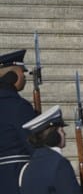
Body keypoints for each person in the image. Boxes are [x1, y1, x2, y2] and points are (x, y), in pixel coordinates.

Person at [18, 105, 81, 194]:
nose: (65, 134)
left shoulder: (27, 168)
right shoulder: (59, 164)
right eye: (61, 131)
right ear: (54, 135)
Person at [0, 50, 35, 194]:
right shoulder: (19, 106)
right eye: (22, 73)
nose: (25, 77)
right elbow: (33, 143)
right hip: (16, 176)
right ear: (13, 76)